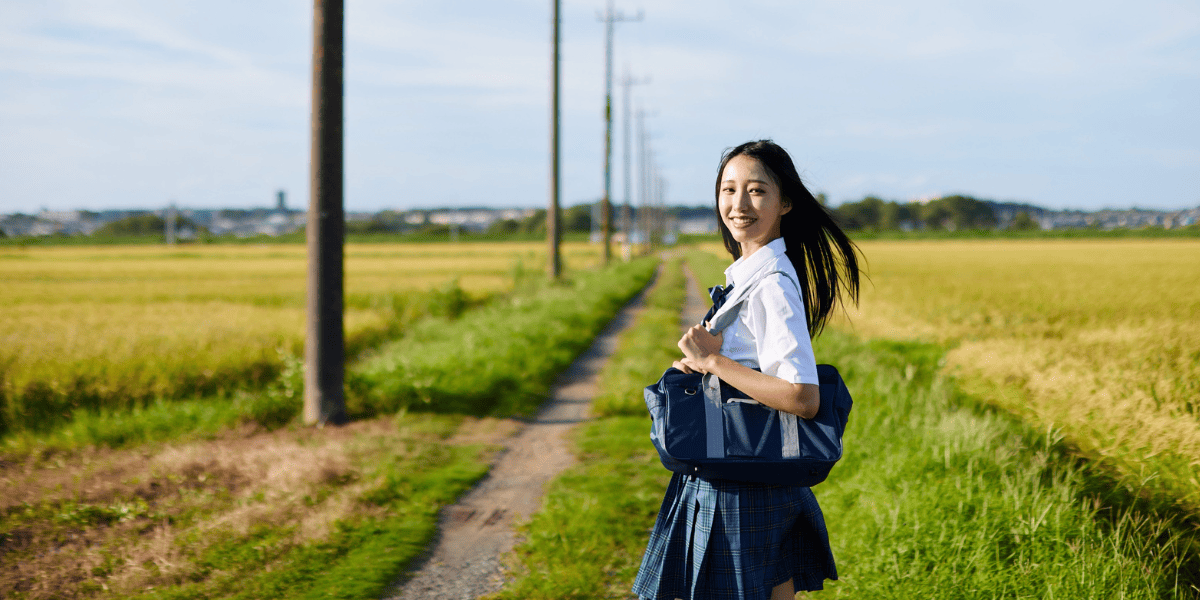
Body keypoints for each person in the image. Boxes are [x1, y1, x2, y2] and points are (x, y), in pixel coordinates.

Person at [632, 140, 861, 600]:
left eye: (756, 191)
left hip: (743, 485)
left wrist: (713, 362)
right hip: (744, 474)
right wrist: (705, 367)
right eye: (728, 189)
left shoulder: (772, 284)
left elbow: (802, 396)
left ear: (785, 202)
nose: (738, 205)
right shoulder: (750, 274)